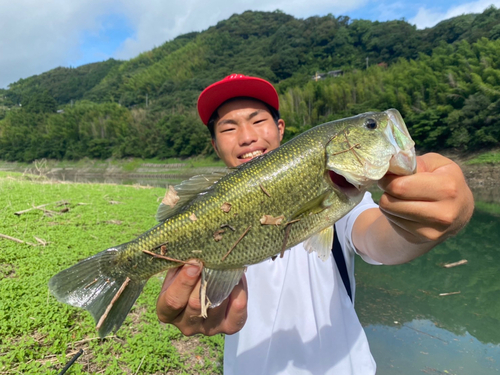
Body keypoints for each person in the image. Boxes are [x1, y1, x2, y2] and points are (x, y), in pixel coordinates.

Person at [156, 74, 474, 374]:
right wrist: (195, 304)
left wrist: (426, 223)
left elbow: (380, 237)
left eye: (257, 120)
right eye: (228, 128)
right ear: (214, 145)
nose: (247, 136)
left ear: (280, 128)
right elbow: (195, 292)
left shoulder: (345, 193)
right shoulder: (206, 215)